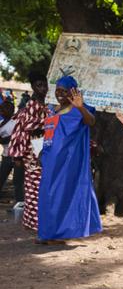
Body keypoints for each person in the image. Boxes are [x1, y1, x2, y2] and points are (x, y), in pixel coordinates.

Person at [37, 76, 101, 242]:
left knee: (62, 195)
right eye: (58, 90)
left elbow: (91, 121)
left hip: (67, 162)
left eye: (64, 91)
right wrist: (42, 151)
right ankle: (48, 232)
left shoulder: (79, 109)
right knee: (47, 194)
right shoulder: (53, 109)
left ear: (73, 92)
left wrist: (80, 107)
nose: (59, 94)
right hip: (50, 160)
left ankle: (58, 234)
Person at [8, 72, 50, 233]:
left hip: (42, 149)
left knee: (40, 187)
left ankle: (37, 221)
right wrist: (18, 155)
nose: (43, 88)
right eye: (39, 85)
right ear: (32, 87)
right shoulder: (32, 105)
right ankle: (35, 223)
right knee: (34, 187)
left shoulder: (45, 104)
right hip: (34, 151)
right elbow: (24, 129)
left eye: (44, 85)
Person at [0, 96, 25, 207]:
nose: (2, 111)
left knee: (17, 181)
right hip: (6, 155)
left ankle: (20, 204)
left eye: (5, 109)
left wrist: (4, 139)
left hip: (17, 156)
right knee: (1, 177)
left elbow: (16, 137)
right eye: (1, 109)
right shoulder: (1, 123)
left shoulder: (15, 123)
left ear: (11, 110)